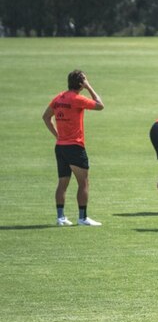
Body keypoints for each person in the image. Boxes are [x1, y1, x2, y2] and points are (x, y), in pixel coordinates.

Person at [43, 70, 104, 226]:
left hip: (60, 147)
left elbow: (46, 117)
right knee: (83, 183)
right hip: (75, 147)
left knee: (62, 183)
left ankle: (60, 218)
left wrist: (57, 135)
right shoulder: (77, 99)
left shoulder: (58, 98)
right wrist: (89, 87)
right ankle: (82, 218)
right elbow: (100, 105)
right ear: (80, 83)